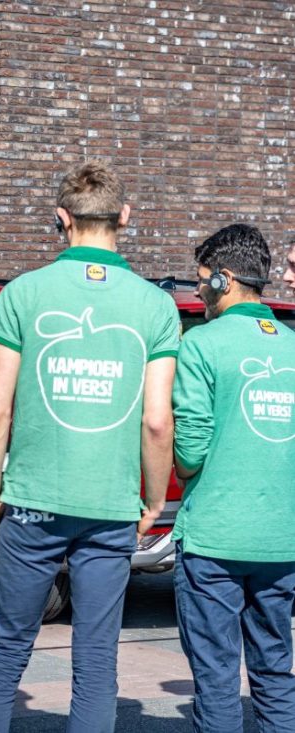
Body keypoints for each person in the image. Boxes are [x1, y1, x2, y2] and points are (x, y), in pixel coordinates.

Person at [0, 161, 179, 732]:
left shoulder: (23, 293)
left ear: (61, 220)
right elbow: (158, 422)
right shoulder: (155, 308)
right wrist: (152, 502)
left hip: (32, 501)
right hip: (110, 506)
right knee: (96, 660)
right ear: (124, 217)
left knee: (8, 647)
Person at [172, 224, 295, 732]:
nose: (198, 291)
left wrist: (179, 464)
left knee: (218, 679)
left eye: (202, 281)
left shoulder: (201, 345)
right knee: (275, 674)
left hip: (214, 540)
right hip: (281, 542)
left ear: (224, 281)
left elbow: (191, 451)